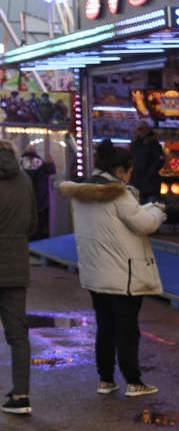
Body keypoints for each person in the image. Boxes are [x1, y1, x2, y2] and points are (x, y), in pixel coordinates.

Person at [59, 147, 166, 399]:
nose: (130, 177)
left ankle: (105, 379)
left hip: (96, 274)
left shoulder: (83, 192)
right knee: (127, 331)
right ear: (119, 170)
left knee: (105, 328)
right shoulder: (118, 193)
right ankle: (134, 381)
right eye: (129, 172)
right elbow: (144, 224)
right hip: (123, 274)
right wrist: (157, 210)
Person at [0, 138, 39, 415]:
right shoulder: (24, 179)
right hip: (15, 264)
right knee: (18, 335)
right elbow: (33, 222)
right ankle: (21, 395)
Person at [19, 143, 56, 241]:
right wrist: (51, 162)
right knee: (40, 222)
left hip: (25, 197)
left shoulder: (19, 162)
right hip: (41, 198)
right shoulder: (41, 162)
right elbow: (52, 170)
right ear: (35, 152)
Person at [128, 123, 165, 206]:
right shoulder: (136, 144)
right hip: (143, 183)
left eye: (141, 129)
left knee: (146, 207)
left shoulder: (152, 144)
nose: (139, 131)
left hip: (147, 183)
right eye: (138, 129)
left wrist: (149, 174)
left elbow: (158, 162)